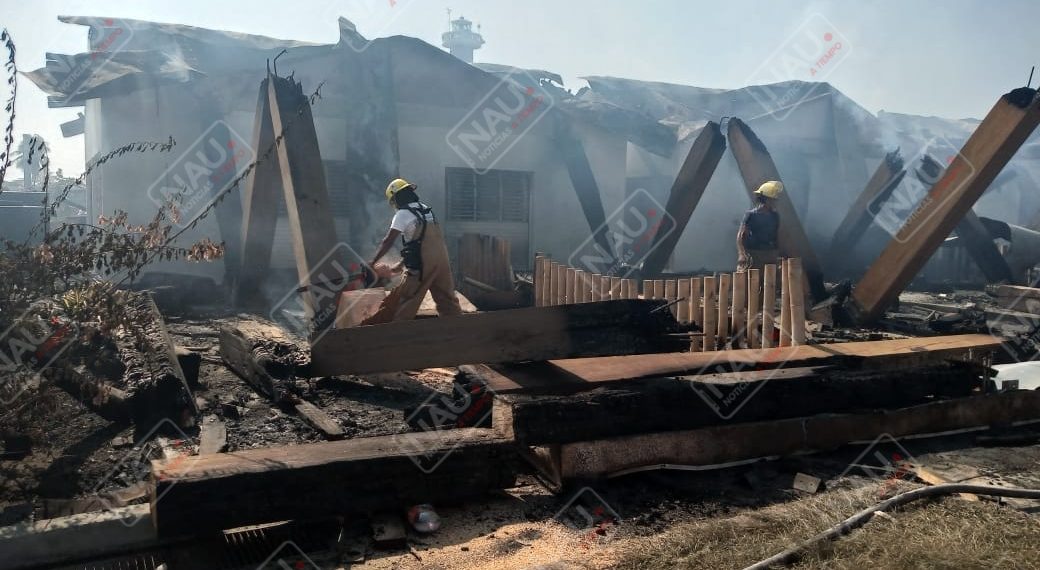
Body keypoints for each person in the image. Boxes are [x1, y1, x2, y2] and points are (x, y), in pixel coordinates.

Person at [369, 178, 463, 321]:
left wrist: (372, 262)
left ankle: (398, 336)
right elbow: (422, 243)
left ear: (396, 198)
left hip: (423, 265)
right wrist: (400, 266)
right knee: (447, 301)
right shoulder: (426, 209)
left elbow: (388, 241)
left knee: (406, 299)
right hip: (442, 262)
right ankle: (457, 333)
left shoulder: (402, 214)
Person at [737, 180, 782, 272]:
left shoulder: (775, 216)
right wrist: (741, 254)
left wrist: (777, 253)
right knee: (752, 281)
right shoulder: (751, 215)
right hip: (754, 254)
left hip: (770, 253)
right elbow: (740, 236)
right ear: (766, 199)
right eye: (773, 199)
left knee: (770, 282)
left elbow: (776, 235)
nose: (775, 202)